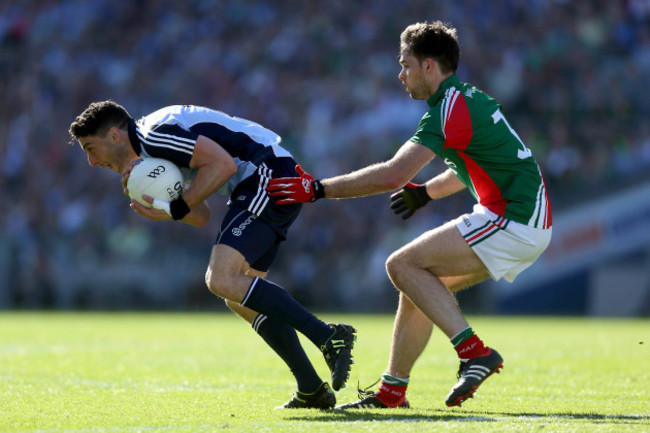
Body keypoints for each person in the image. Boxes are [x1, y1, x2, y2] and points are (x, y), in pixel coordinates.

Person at [267, 21, 552, 409]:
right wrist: (427, 193)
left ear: (429, 66)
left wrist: (318, 189)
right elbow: (474, 166)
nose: (401, 75)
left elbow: (393, 173)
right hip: (524, 220)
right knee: (416, 283)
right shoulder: (464, 99)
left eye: (406, 65)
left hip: (514, 220)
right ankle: (391, 392)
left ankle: (474, 353)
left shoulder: (446, 110)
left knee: (400, 265)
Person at [68, 101, 357, 409]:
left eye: (90, 148)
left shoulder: (153, 135)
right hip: (258, 181)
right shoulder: (151, 150)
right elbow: (201, 214)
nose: (91, 162)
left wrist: (176, 205)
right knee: (237, 296)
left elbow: (224, 166)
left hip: (266, 175)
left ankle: (328, 336)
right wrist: (162, 207)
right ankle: (311, 389)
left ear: (114, 136)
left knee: (221, 279)